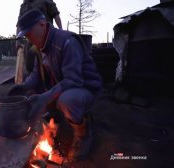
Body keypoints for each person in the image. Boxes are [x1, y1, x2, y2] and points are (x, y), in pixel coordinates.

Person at [8, 9, 103, 164]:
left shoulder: (67, 42)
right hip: (64, 85)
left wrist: (46, 97)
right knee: (33, 96)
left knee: (66, 101)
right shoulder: (38, 47)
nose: (28, 39)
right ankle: (55, 119)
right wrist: (24, 87)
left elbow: (74, 80)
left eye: (29, 33)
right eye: (25, 36)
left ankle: (83, 134)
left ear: (42, 24)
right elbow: (36, 74)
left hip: (85, 88)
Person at [16, 0, 63, 75]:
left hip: (46, 37)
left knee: (49, 63)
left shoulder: (46, 1)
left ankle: (52, 81)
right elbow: (19, 24)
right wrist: (18, 40)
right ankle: (34, 81)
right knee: (29, 63)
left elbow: (55, 15)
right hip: (30, 38)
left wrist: (61, 31)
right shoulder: (24, 5)